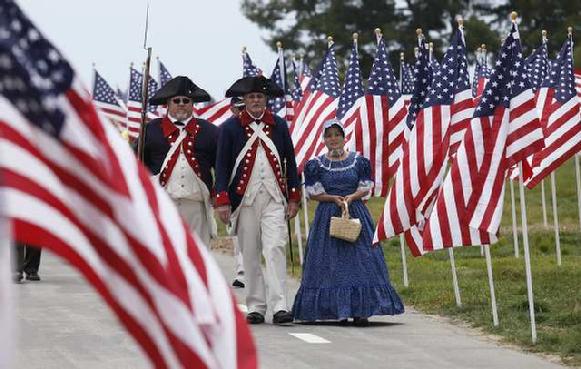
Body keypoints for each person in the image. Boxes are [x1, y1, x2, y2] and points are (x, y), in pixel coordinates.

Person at [292, 119, 404, 326]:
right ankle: (337, 310)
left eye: (337, 135)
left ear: (344, 137)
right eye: (329, 135)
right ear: (324, 139)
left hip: (355, 211)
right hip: (328, 214)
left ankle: (361, 310)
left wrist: (352, 197)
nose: (333, 139)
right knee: (329, 262)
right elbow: (314, 193)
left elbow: (366, 186)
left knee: (364, 259)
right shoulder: (315, 164)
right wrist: (332, 198)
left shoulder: (358, 161)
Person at [215, 76, 301, 325]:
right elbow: (222, 166)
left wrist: (293, 195)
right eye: (251, 97)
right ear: (244, 100)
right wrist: (222, 199)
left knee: (275, 247)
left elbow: (290, 162)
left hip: (274, 197)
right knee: (250, 252)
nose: (255, 101)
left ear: (266, 100)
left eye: (260, 97)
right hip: (245, 199)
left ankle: (280, 305)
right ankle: (256, 306)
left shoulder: (279, 125)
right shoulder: (231, 128)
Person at [142, 76, 218, 245]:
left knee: (198, 256)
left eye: (186, 100)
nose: (181, 104)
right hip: (163, 203)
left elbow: (220, 165)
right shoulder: (151, 130)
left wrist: (218, 194)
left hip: (196, 204)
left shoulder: (209, 131)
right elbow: (138, 163)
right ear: (167, 104)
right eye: (176, 100)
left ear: (192, 104)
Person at [228, 96, 246, 289]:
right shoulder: (228, 129)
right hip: (237, 188)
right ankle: (242, 272)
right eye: (238, 108)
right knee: (239, 232)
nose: (242, 111)